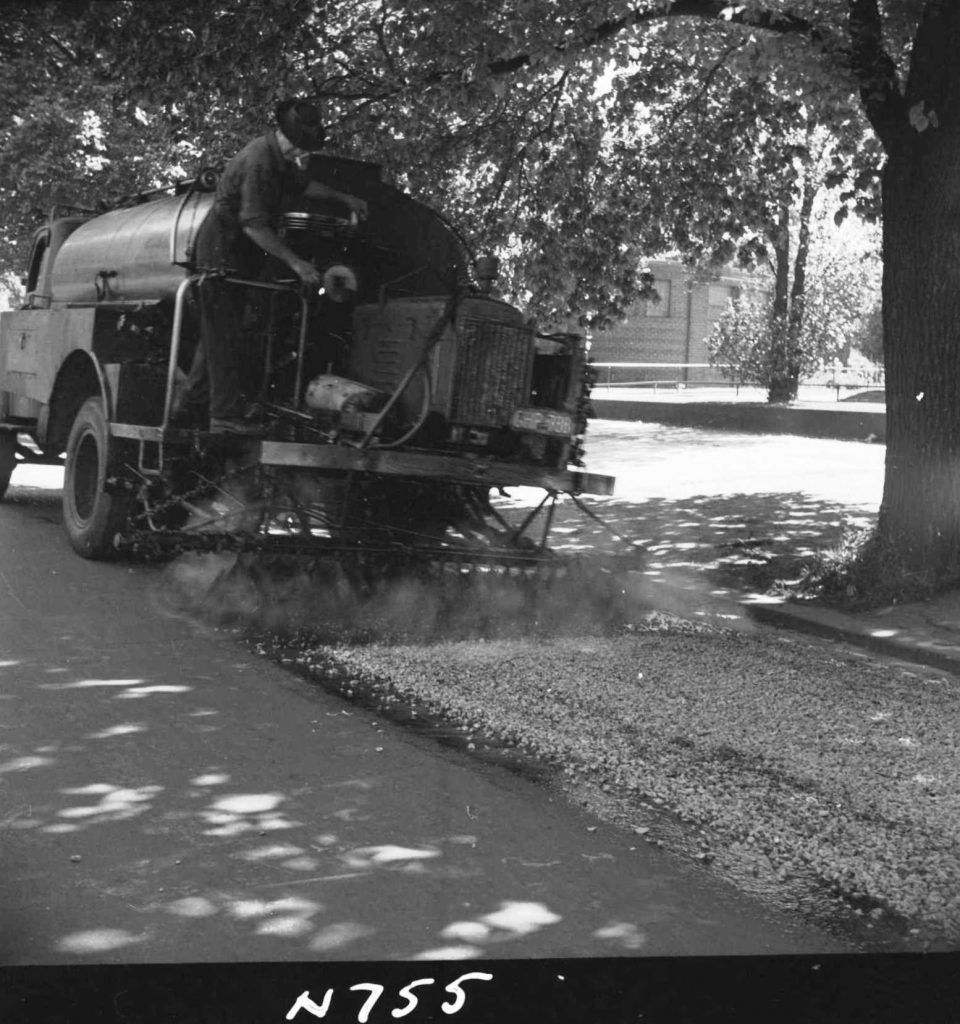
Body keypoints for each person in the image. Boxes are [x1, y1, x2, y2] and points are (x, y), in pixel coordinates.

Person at [178, 98, 368, 434]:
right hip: (221, 254)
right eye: (304, 147)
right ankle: (224, 417)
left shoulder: (278, 158)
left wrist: (345, 199)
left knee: (215, 339)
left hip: (238, 257)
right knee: (225, 338)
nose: (304, 156)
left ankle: (185, 410)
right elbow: (252, 224)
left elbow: (304, 186)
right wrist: (297, 264)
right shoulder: (260, 161)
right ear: (294, 141)